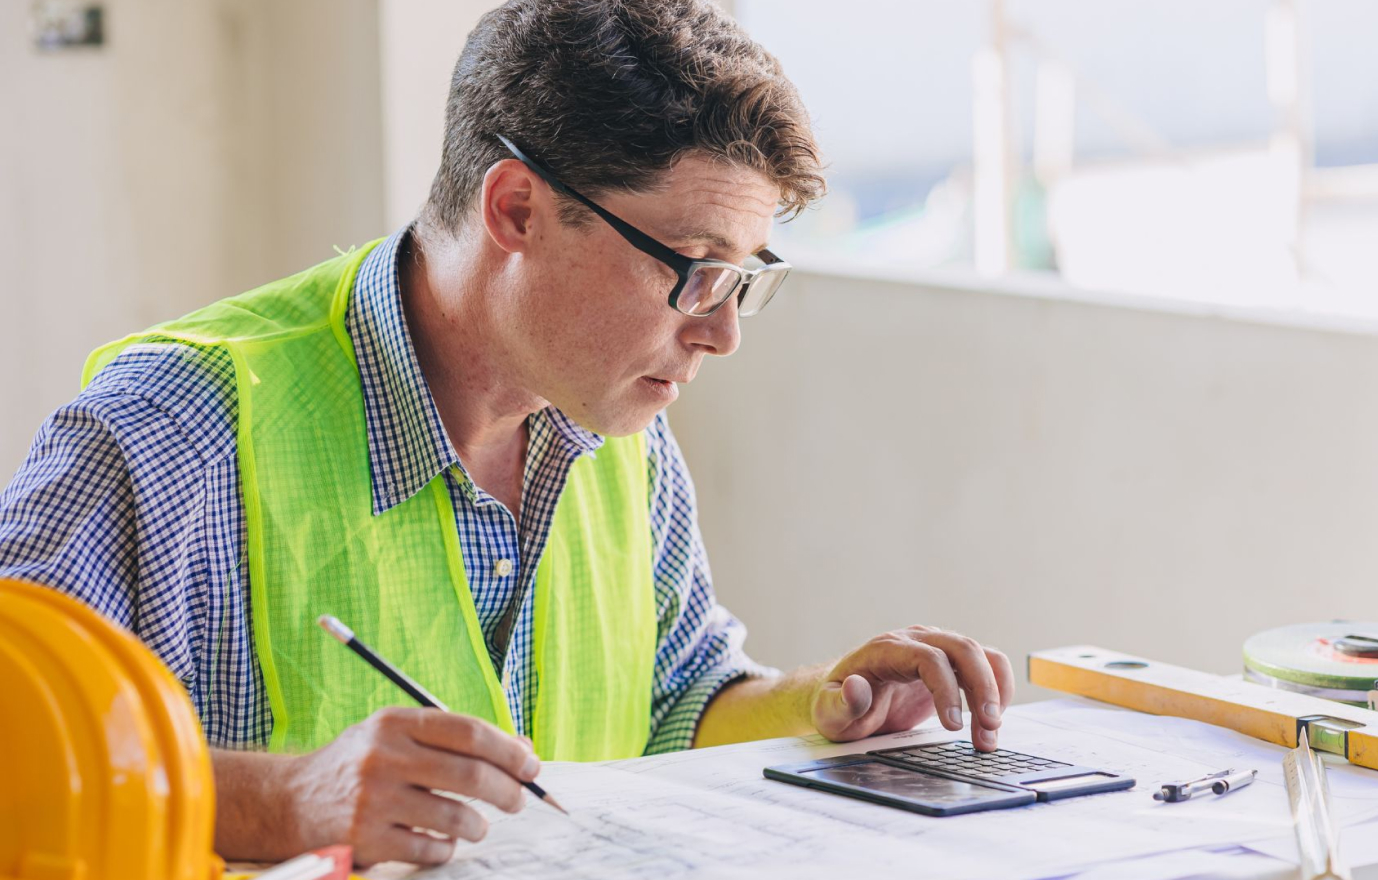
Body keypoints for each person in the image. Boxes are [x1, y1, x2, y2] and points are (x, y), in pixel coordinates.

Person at [0, 0, 1013, 867]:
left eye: (745, 275)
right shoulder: (172, 432)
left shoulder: (615, 425)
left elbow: (670, 700)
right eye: (694, 267)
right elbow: (18, 761)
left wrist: (821, 707)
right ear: (519, 209)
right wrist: (287, 799)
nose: (720, 331)